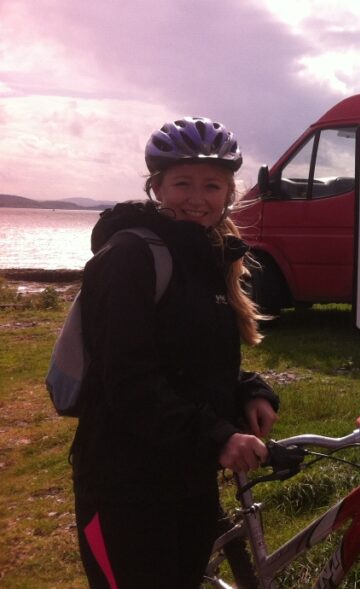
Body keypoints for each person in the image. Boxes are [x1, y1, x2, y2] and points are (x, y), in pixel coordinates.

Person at [70, 116, 279, 588]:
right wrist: (217, 436)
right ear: (157, 188)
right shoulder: (128, 259)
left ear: (230, 193)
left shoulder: (208, 256)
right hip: (123, 485)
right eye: (182, 183)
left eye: (212, 185)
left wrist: (250, 390)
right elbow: (127, 382)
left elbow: (194, 359)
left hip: (187, 478)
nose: (197, 198)